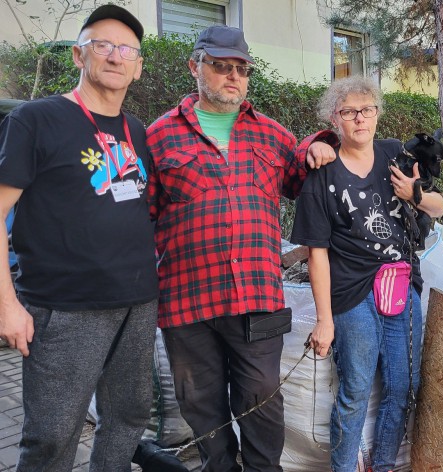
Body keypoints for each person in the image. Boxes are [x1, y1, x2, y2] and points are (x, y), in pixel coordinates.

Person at [146, 25, 334, 471]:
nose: (233, 76)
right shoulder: (159, 137)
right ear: (196, 67)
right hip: (186, 300)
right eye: (221, 66)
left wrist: (319, 145)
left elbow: (298, 174)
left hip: (256, 294)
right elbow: (141, 215)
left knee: (261, 398)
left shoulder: (270, 134)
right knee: (201, 404)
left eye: (241, 69)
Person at [0, 5, 159, 471]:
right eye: (102, 45)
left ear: (138, 64)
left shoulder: (136, 131)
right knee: (52, 434)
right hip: (65, 309)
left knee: (128, 418)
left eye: (126, 49)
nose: (115, 56)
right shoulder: (35, 119)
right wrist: (7, 304)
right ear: (79, 55)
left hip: (137, 302)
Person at [290, 76, 443, 472]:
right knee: (356, 390)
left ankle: (383, 465)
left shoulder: (395, 155)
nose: (360, 118)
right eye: (349, 111)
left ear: (377, 114)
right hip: (352, 293)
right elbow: (317, 254)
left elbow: (439, 208)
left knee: (402, 387)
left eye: (368, 109)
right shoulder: (322, 173)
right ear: (334, 118)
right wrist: (324, 321)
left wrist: (415, 194)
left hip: (400, 287)